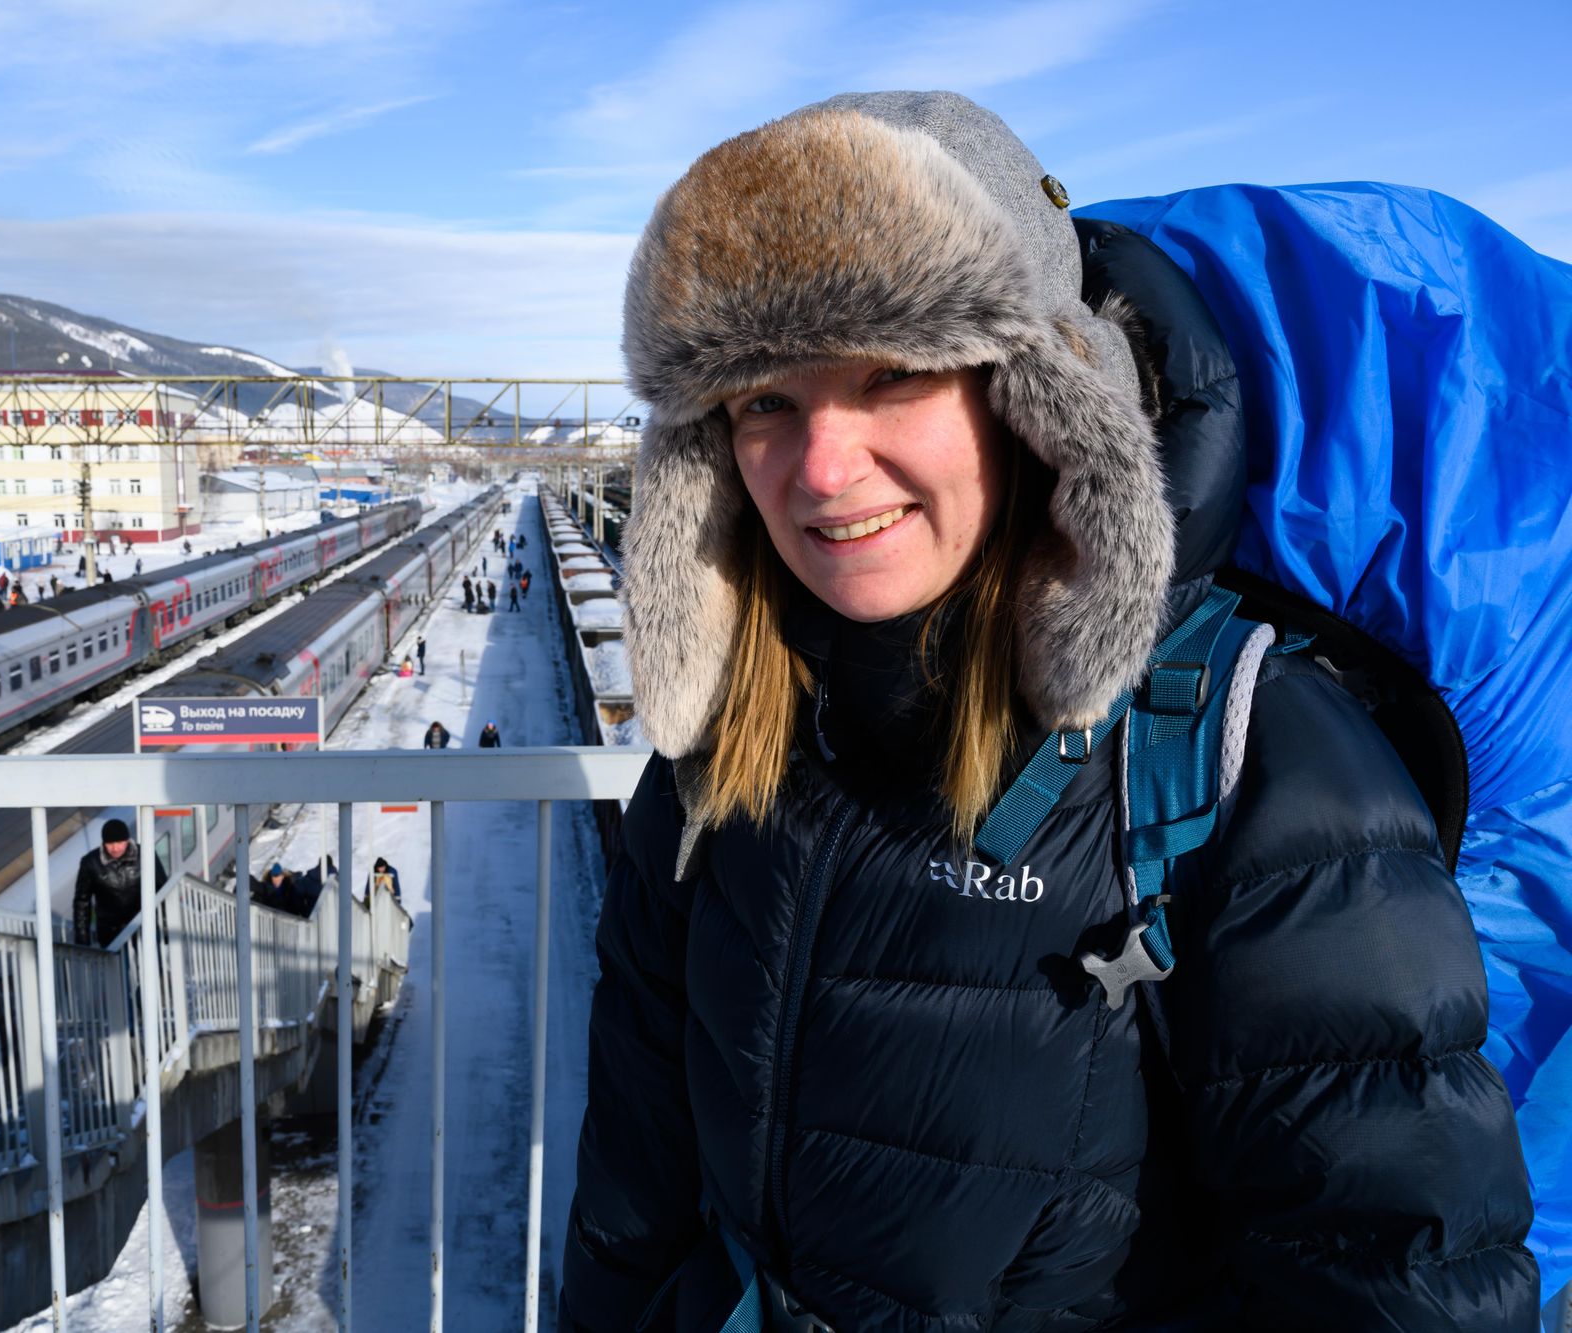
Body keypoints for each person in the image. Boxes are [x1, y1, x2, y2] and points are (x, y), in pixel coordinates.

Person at [560, 91, 1536, 1333]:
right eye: (764, 400)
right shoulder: (720, 758)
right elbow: (632, 1205)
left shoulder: (1242, 757)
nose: (819, 467)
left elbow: (1395, 1284)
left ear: (1040, 400)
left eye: (894, 375)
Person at [71, 817, 168, 948]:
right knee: (118, 968)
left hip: (145, 927)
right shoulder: (90, 863)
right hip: (111, 933)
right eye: (110, 843)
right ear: (103, 843)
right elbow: (82, 903)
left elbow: (163, 888)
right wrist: (82, 941)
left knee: (152, 966)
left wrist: (165, 924)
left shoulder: (146, 854)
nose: (115, 848)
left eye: (119, 842)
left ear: (127, 840)